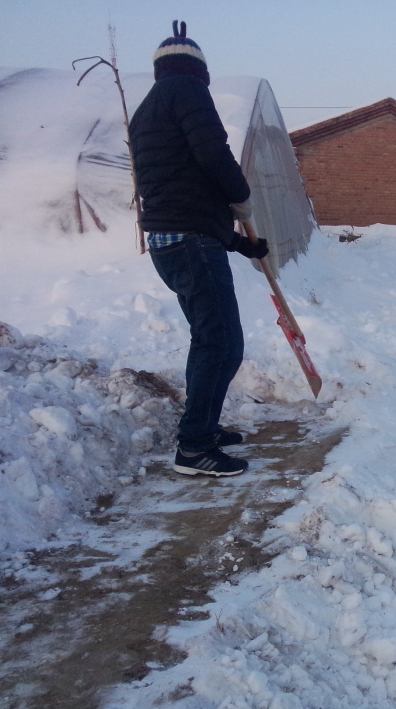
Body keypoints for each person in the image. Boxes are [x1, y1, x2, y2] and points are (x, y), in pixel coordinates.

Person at [129, 21, 268, 477]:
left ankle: (202, 427)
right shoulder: (187, 93)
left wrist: (235, 243)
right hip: (189, 241)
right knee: (223, 344)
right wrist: (240, 194)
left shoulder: (149, 108)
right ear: (198, 71)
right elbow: (213, 155)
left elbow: (182, 190)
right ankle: (194, 447)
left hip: (174, 240)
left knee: (207, 340)